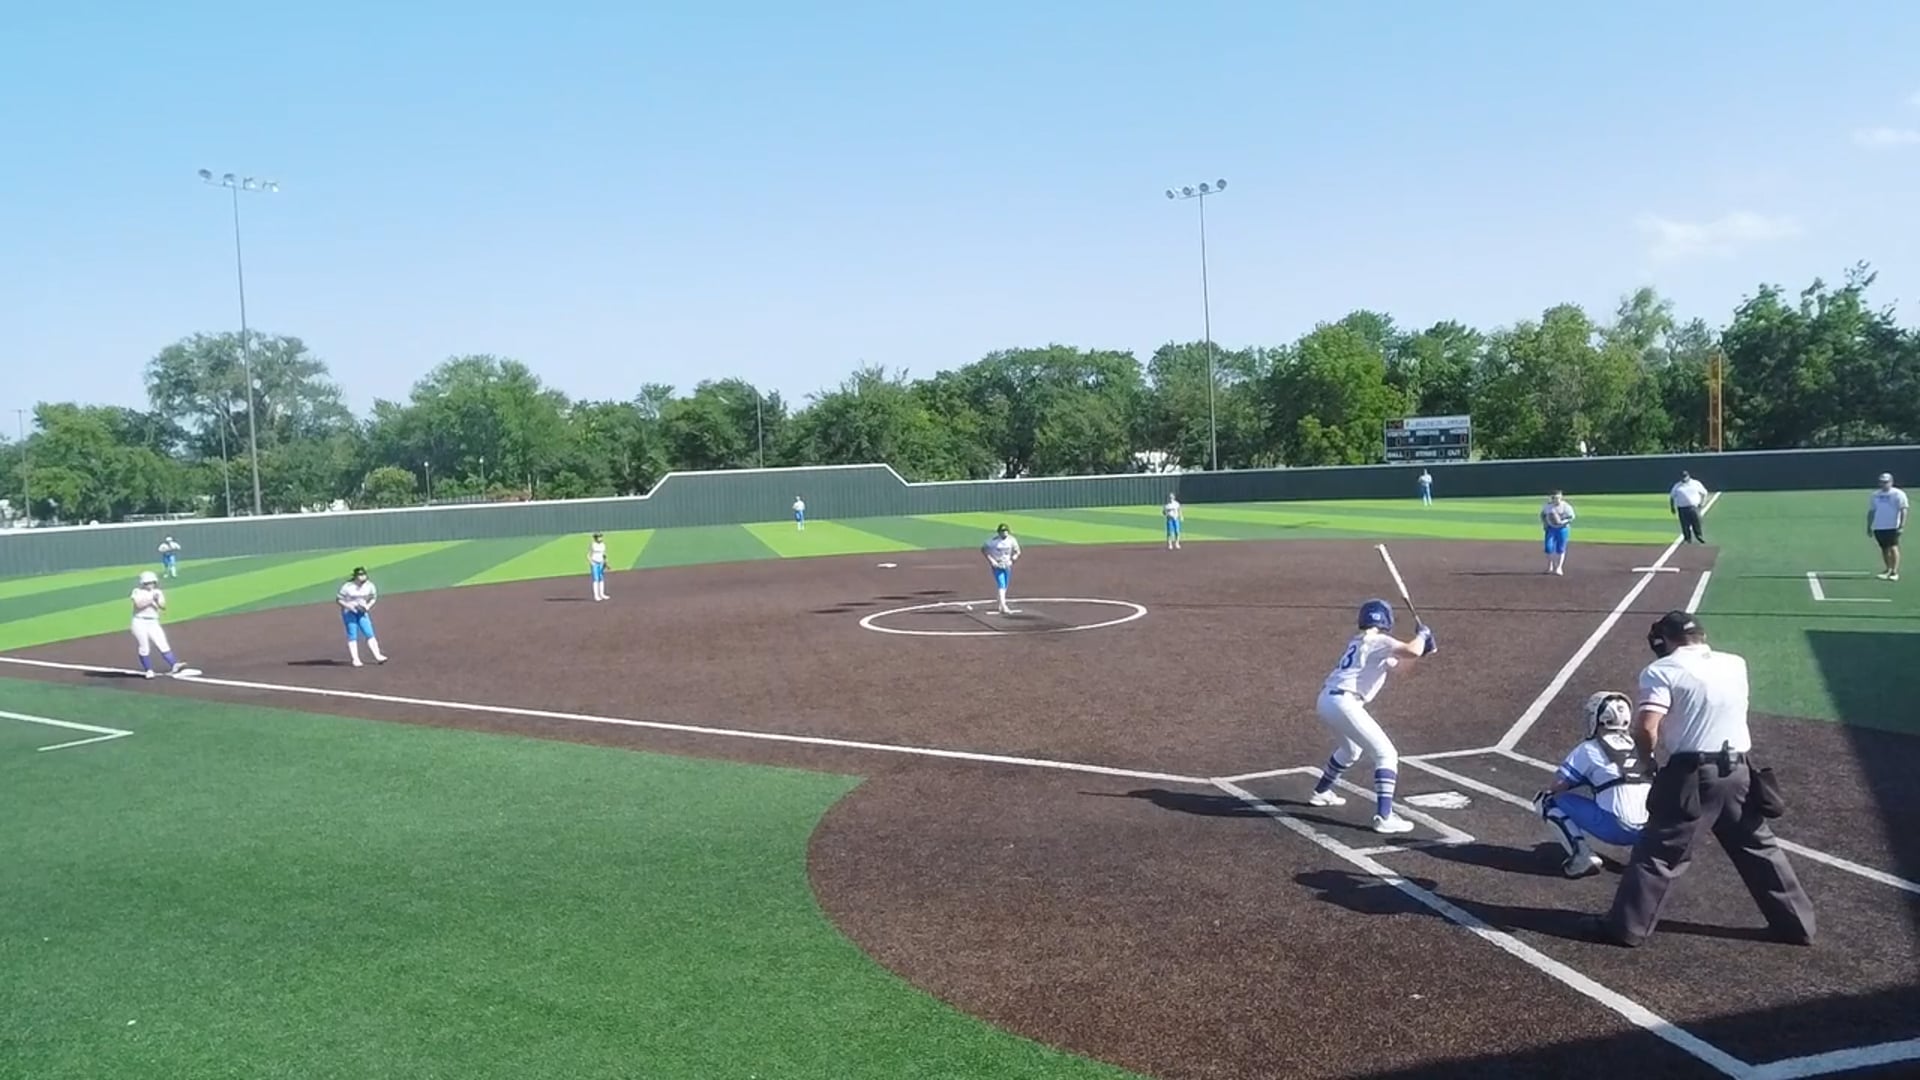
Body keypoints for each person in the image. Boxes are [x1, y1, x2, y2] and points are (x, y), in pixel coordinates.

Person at [1597, 611, 1816, 948]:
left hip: (1693, 776)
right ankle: (1797, 925)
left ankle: (1626, 927)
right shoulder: (1735, 663)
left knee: (1660, 852)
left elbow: (1646, 727)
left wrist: (1647, 761)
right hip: (1740, 773)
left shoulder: (1661, 670)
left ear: (1664, 640)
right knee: (1758, 847)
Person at [1307, 598, 1436, 834]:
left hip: (1327, 700)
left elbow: (1402, 666)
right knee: (1386, 754)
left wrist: (1422, 651)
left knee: (1350, 750)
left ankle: (1321, 792)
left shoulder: (1362, 642)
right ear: (1386, 620)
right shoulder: (1380, 641)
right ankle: (1384, 817)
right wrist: (1422, 636)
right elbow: (1411, 649)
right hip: (1345, 702)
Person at [1533, 691, 1651, 878]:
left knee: (1547, 801)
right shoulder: (1642, 746)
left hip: (1616, 829)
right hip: (1649, 831)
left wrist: (1582, 779)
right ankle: (1646, 855)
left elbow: (1557, 785)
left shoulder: (1589, 748)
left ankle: (1582, 857)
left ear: (1599, 718)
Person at [130, 570, 191, 678]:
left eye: (152, 582)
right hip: (139, 622)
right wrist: (151, 598)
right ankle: (148, 670)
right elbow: (139, 604)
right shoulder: (137, 591)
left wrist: (157, 600)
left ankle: (174, 664)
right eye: (148, 583)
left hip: (153, 622)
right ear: (143, 583)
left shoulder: (158, 592)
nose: (150, 585)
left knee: (162, 643)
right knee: (144, 647)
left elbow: (163, 606)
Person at [336, 566, 390, 667]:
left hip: (362, 612)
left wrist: (368, 606)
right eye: (360, 575)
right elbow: (339, 600)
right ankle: (355, 659)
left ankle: (378, 656)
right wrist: (349, 606)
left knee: (369, 633)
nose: (363, 577)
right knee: (352, 635)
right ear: (356, 576)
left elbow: (373, 598)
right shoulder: (347, 587)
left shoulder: (370, 586)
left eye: (364, 574)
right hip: (349, 612)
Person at [1869, 472, 1908, 581]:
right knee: (1884, 549)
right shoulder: (1875, 495)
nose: (1884, 484)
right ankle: (1887, 569)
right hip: (1879, 526)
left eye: (1886, 482)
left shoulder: (1898, 494)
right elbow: (1872, 511)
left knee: (1893, 547)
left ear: (1891, 482)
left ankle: (1894, 572)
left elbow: (1904, 509)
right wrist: (1869, 525)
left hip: (1893, 526)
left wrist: (1901, 525)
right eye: (1882, 482)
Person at [981, 523, 1021, 615]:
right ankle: (1003, 606)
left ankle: (1000, 603)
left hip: (1007, 564)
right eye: (1002, 531)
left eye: (1005, 531)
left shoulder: (1012, 540)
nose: (1004, 533)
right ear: (999, 532)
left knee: (1005, 585)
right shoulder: (993, 541)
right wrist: (992, 561)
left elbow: (1017, 551)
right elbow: (984, 549)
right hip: (997, 565)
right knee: (1001, 584)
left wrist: (1012, 560)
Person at [1540, 490, 1576, 575]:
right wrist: (1545, 523)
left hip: (1562, 529)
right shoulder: (1548, 506)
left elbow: (1572, 517)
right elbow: (1542, 515)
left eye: (1558, 498)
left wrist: (1562, 522)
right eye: (1554, 498)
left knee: (1560, 548)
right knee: (1548, 547)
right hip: (1551, 529)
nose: (1556, 500)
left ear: (1561, 497)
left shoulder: (1566, 507)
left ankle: (1559, 568)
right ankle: (1550, 566)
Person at [1669, 471, 1709, 544]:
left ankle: (1699, 536)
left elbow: (1704, 493)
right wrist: (1672, 507)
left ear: (1688, 476)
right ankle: (1687, 538)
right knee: (1685, 524)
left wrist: (1702, 503)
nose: (1684, 478)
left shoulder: (1695, 483)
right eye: (1682, 477)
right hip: (1682, 508)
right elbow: (1672, 497)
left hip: (1693, 507)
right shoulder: (1677, 486)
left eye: (1685, 476)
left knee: (1697, 522)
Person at [588, 532, 609, 602]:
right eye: (598, 537)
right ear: (595, 538)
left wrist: (606, 563)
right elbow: (588, 555)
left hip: (601, 563)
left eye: (600, 537)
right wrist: (591, 562)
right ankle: (596, 595)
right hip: (595, 562)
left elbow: (604, 554)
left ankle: (602, 594)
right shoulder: (593, 545)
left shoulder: (603, 545)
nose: (600, 538)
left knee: (601, 578)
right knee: (596, 579)